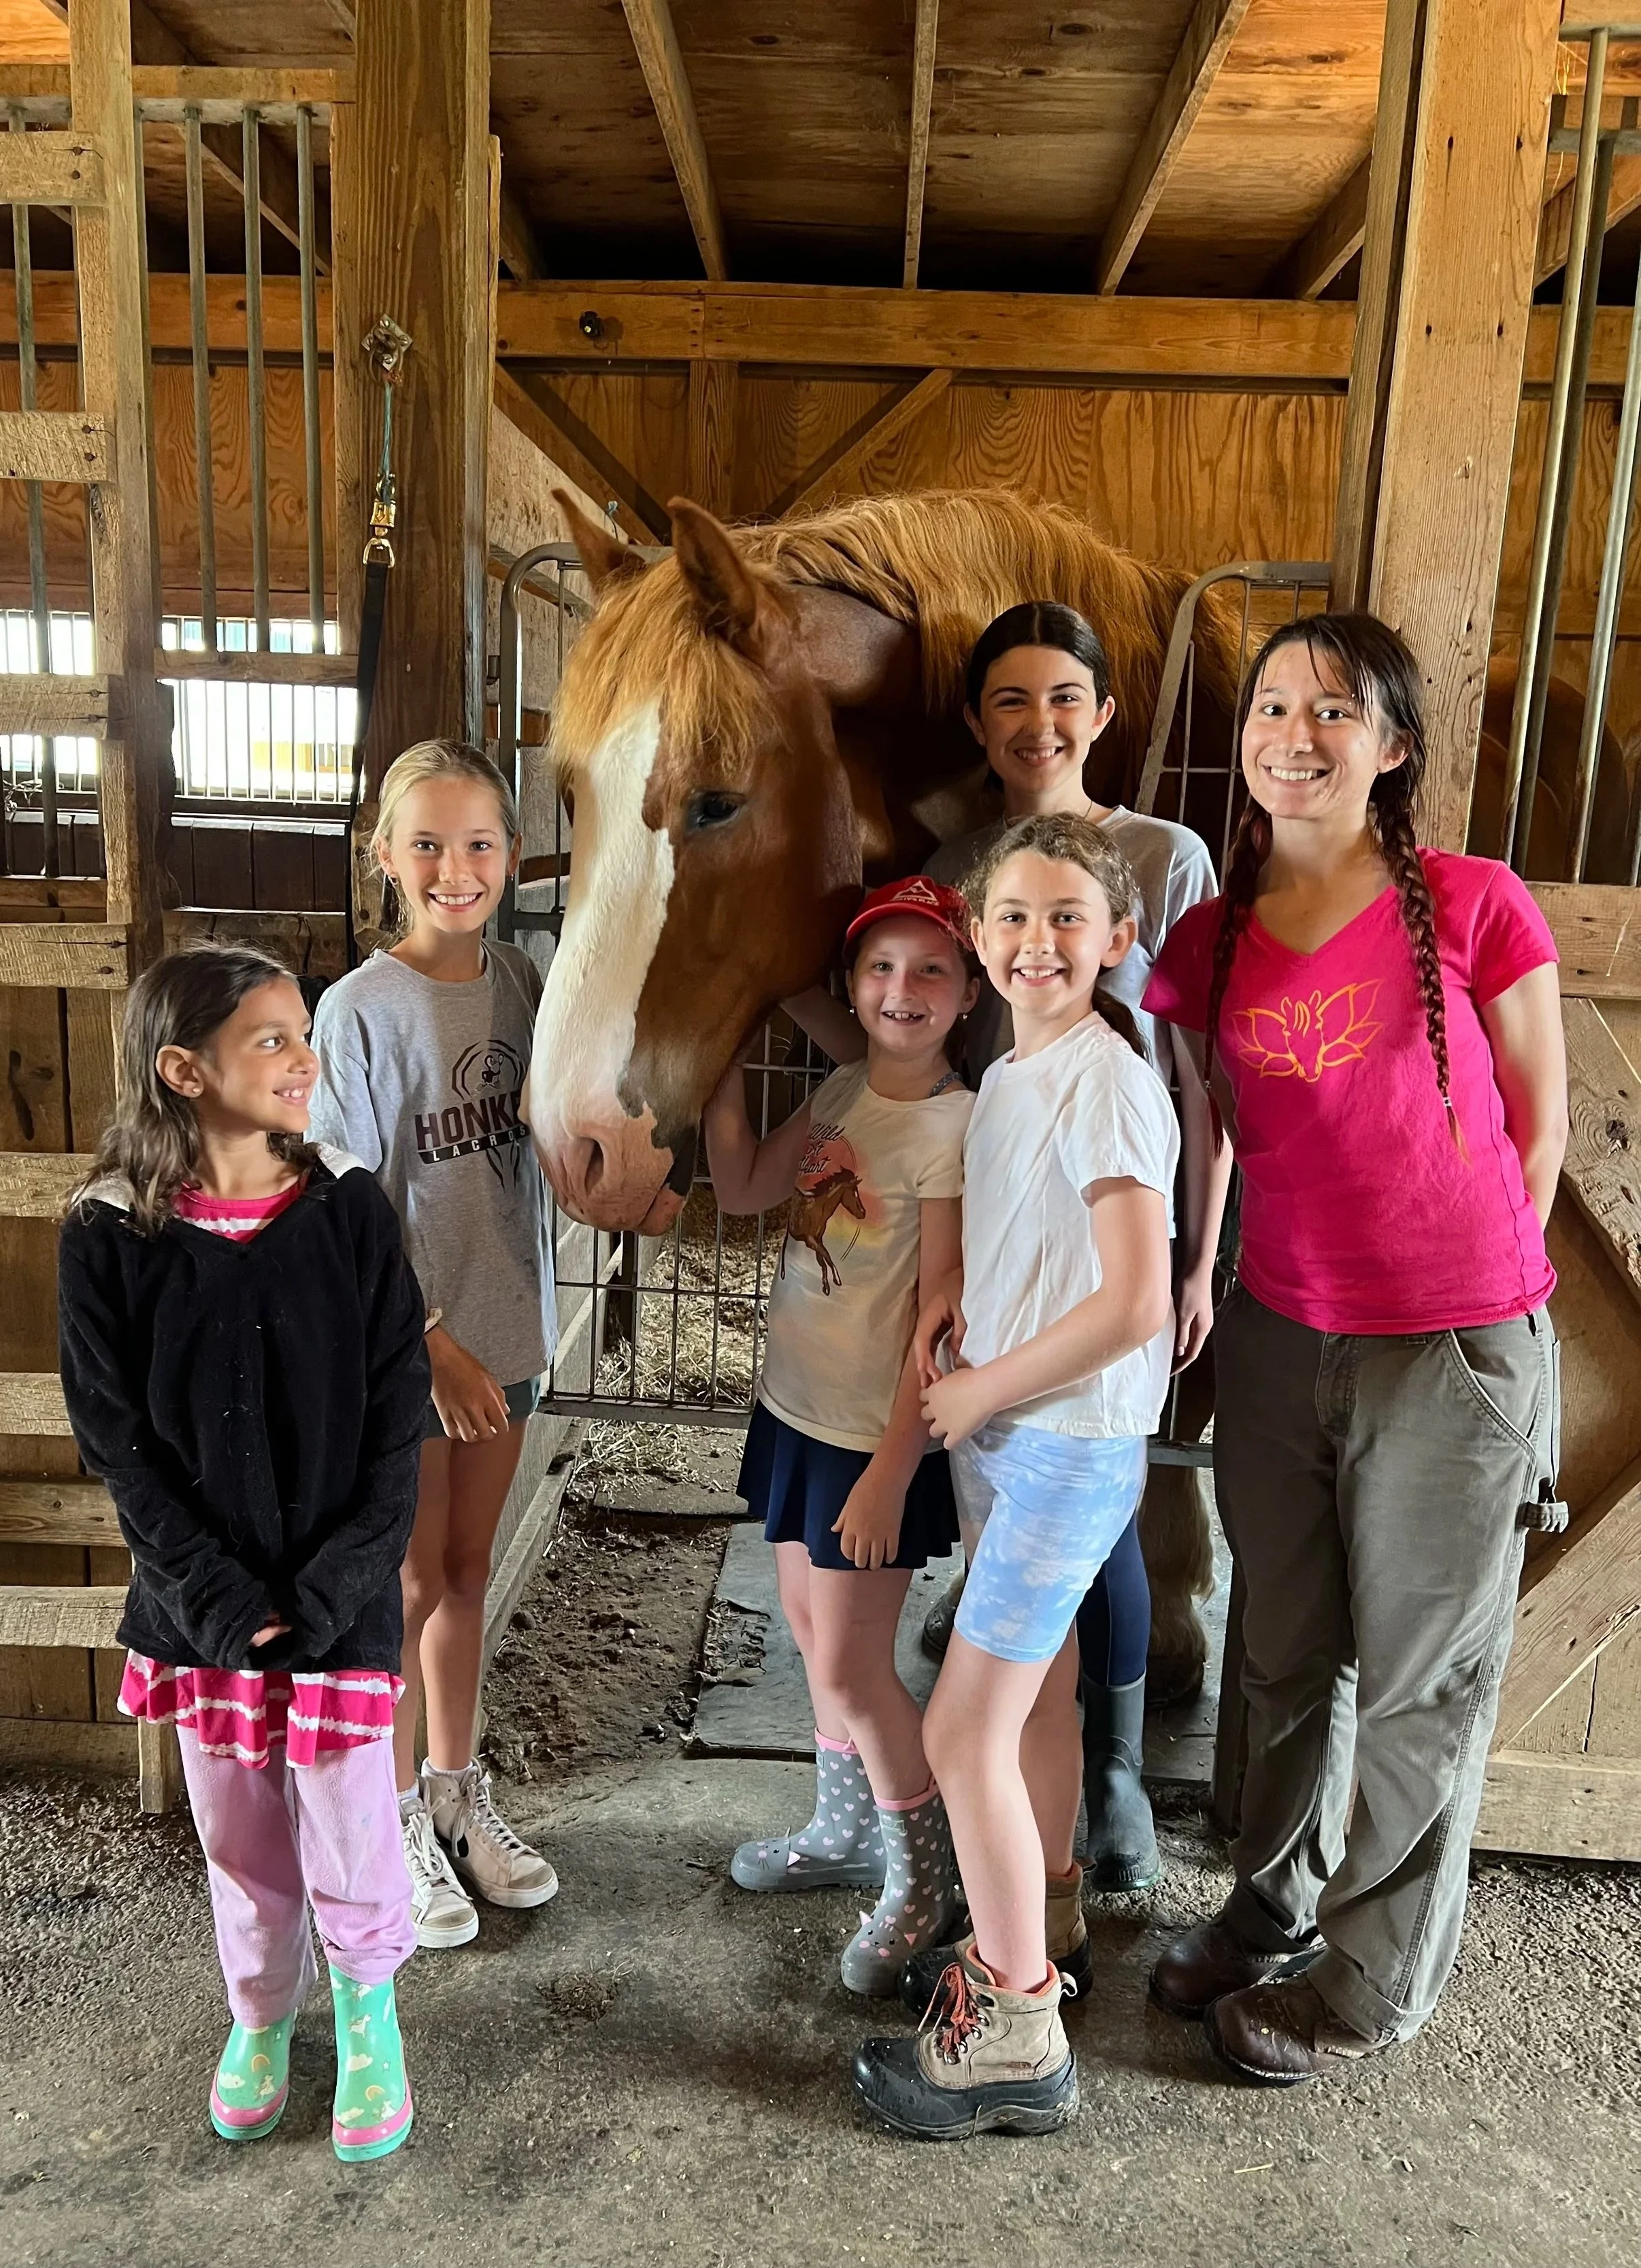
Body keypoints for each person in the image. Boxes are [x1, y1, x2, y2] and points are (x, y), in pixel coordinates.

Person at [1140, 612, 1568, 2085]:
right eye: (1271, 706)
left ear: (1390, 748)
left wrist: (1471, 1291)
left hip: (1449, 1346)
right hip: (1277, 1333)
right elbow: (1168, 1111)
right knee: (1281, 1655)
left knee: (1416, 1683)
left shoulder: (1474, 901)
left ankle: (1372, 1977)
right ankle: (1270, 1910)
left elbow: (1539, 1124)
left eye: (1335, 710)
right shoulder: (1208, 939)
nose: (1294, 733)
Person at [789, 600, 1228, 1894]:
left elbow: (1197, 1072)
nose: (1038, 725)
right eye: (1009, 702)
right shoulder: (963, 855)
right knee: (1028, 1589)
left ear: (1099, 714)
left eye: (1061, 699)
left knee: (1120, 1504)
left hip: (1116, 1223)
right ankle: (1039, 1870)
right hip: (1008, 1219)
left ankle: (1111, 1778)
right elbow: (916, 1056)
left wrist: (1199, 1259)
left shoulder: (1162, 857)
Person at [58, 944, 429, 2163]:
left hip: (339, 1602)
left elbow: (394, 1414)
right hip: (199, 1608)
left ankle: (368, 2009)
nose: (301, 1057)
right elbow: (115, 1441)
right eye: (269, 1039)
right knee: (238, 1829)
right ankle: (260, 2014)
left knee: (351, 1817)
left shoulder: (349, 1211)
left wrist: (336, 1586)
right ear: (182, 1070)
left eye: (297, 1033)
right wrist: (212, 1595)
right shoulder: (111, 1236)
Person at [851, 814, 1178, 2140]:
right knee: (1028, 1702)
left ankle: (1017, 2026)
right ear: (978, 939)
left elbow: (1135, 1301)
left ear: (1116, 939)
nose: (1036, 941)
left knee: (956, 1729)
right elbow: (1034, 1252)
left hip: (1061, 1441)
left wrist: (985, 1385)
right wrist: (961, 1325)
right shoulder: (1007, 1079)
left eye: (1065, 918)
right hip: (1013, 1433)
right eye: (1012, 918)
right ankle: (1034, 1914)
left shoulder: (1106, 1080)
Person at [706, 877, 978, 1995]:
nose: (900, 990)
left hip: (876, 1441)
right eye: (879, 968)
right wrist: (716, 1059)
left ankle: (921, 1881)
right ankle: (840, 1830)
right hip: (795, 1415)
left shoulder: (953, 1127)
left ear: (968, 996)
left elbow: (940, 1315)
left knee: (858, 1668)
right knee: (811, 1643)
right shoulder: (846, 1086)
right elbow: (739, 1185)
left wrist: (894, 1471)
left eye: (929, 972)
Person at [310, 739, 559, 1952]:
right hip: (413, 1349)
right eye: (428, 844)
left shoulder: (520, 982)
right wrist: (430, 1343)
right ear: (385, 857)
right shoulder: (356, 1008)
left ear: (510, 857)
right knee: (406, 1589)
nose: (454, 868)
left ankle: (460, 1798)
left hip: (506, 1327)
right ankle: (396, 1818)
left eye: (477, 844)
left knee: (466, 1574)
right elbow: (345, 1193)